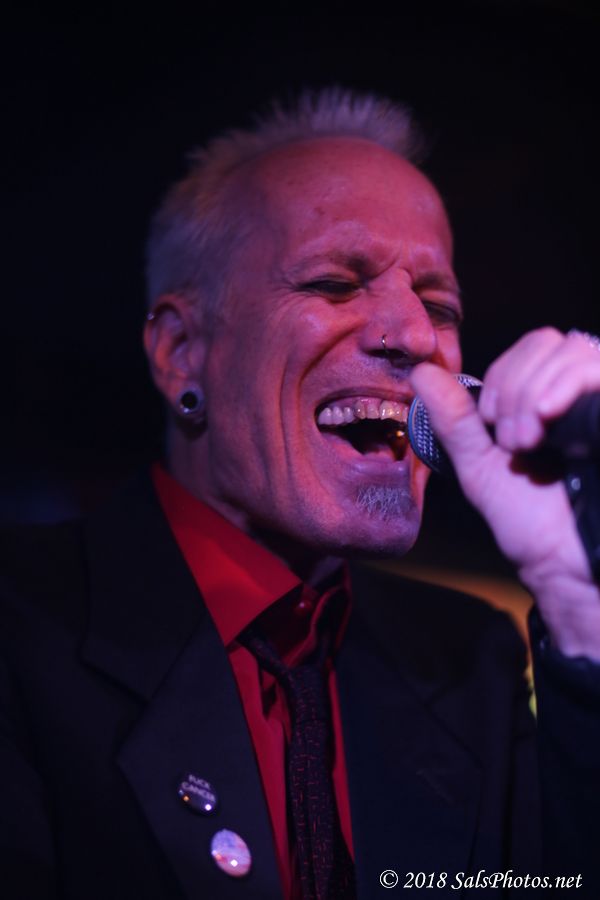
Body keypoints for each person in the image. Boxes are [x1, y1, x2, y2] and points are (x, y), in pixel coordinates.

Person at [1, 88, 600, 899]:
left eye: (438, 305)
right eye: (333, 284)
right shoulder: (21, 629)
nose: (412, 335)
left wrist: (578, 602)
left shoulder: (473, 665)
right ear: (181, 352)